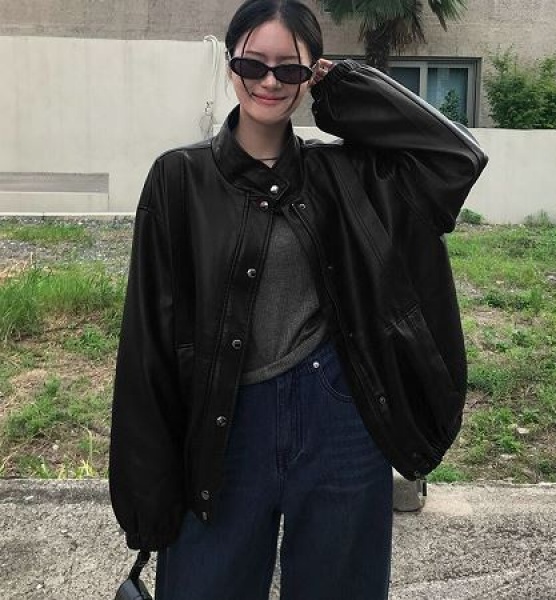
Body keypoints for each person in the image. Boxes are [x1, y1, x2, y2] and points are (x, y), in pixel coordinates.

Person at [109, 0, 488, 598]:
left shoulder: (344, 173)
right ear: (230, 64)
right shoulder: (180, 178)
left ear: (312, 74)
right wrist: (146, 496)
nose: (269, 81)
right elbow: (148, 341)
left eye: (289, 68)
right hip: (224, 426)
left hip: (339, 415)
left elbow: (454, 159)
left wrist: (343, 90)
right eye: (252, 64)